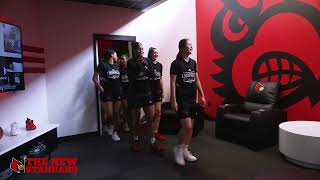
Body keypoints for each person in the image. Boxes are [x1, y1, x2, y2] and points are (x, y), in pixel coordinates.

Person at [170, 39, 206, 166]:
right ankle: (178, 149)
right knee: (187, 126)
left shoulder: (193, 63)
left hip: (192, 100)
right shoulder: (176, 64)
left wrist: (202, 95)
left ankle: (185, 149)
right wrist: (173, 100)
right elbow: (173, 83)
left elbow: (197, 80)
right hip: (182, 100)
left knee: (192, 128)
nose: (191, 47)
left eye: (191, 45)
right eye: (189, 45)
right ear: (182, 48)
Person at [127, 42, 164, 153]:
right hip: (135, 94)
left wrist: (146, 67)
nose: (141, 51)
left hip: (146, 93)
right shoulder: (130, 63)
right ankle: (136, 140)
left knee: (150, 118)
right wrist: (141, 65)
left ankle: (153, 141)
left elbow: (153, 75)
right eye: (138, 49)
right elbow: (133, 77)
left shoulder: (147, 61)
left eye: (142, 49)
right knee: (136, 120)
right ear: (134, 51)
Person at [92, 48, 122, 142]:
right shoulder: (102, 64)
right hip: (107, 92)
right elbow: (94, 78)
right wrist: (99, 87)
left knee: (117, 113)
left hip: (117, 92)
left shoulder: (117, 66)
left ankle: (115, 133)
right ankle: (109, 125)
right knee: (109, 114)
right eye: (116, 54)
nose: (117, 56)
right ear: (112, 55)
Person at [148, 47, 166, 141]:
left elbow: (160, 79)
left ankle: (155, 132)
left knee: (158, 112)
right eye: (154, 53)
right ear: (150, 54)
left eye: (156, 53)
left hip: (157, 91)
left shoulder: (160, 65)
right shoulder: (147, 64)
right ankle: (150, 133)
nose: (156, 54)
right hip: (149, 92)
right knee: (151, 114)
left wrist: (162, 91)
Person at [119, 54, 130, 132]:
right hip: (123, 92)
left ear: (127, 60)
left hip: (131, 91)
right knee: (125, 108)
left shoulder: (130, 69)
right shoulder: (119, 70)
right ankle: (125, 123)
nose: (122, 60)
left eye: (123, 59)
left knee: (131, 109)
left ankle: (130, 123)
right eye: (121, 59)